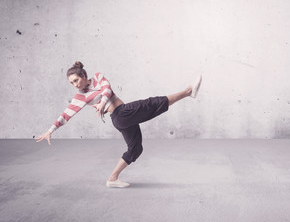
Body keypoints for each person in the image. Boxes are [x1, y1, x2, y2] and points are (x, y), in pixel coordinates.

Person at [35, 61, 202, 188]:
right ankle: (188, 92)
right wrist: (51, 130)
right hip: (120, 115)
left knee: (136, 149)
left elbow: (107, 89)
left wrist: (102, 103)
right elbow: (65, 115)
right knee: (151, 103)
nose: (75, 84)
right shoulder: (80, 97)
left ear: (84, 76)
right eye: (71, 83)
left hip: (122, 117)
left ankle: (112, 178)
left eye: (76, 80)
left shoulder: (98, 77)